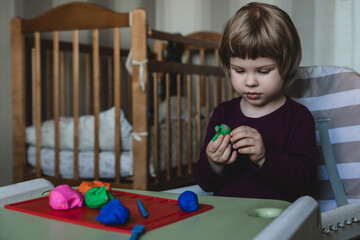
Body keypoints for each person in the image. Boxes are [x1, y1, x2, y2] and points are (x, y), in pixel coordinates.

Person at [194, 2, 317, 202]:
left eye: (264, 71)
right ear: (228, 66)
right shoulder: (222, 114)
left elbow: (306, 183)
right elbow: (205, 182)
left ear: (287, 65)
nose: (250, 82)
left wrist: (264, 157)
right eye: (239, 71)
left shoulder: (298, 117)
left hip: (278, 222)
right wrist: (213, 162)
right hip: (227, 220)